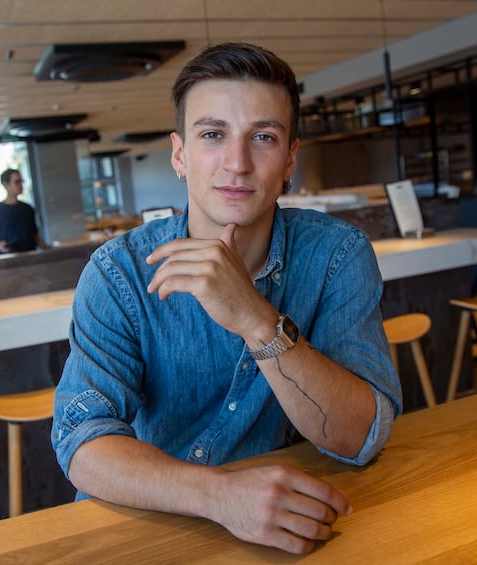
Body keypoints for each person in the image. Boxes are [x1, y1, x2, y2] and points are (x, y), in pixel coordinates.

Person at [52, 42, 402, 555]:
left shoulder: (336, 255)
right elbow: (81, 442)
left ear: (289, 159)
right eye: (213, 134)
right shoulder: (118, 272)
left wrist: (257, 320)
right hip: (149, 525)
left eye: (263, 137)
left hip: (281, 528)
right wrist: (219, 496)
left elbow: (361, 437)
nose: (237, 163)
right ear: (179, 154)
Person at [0, 168, 49, 255]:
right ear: (6, 184)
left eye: (21, 182)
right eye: (17, 182)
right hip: (7, 259)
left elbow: (34, 235)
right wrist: (0, 245)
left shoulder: (27, 208)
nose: (20, 185)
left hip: (30, 256)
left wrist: (47, 248)